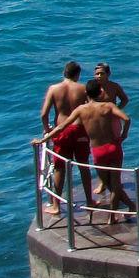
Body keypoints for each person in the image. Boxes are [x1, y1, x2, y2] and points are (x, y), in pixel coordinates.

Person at [67, 93, 133, 215]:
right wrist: (124, 134)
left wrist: (45, 139)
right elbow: (127, 119)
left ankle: (127, 208)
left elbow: (63, 126)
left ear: (86, 94)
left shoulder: (81, 109)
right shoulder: (108, 106)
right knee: (115, 183)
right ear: (100, 93)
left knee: (108, 184)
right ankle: (126, 208)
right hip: (113, 146)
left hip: (98, 151)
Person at [39, 61, 94, 203]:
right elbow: (90, 110)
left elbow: (44, 114)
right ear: (77, 74)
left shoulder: (53, 89)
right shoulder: (83, 89)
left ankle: (56, 205)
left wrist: (48, 131)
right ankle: (89, 200)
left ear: (64, 73)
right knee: (83, 166)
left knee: (59, 168)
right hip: (79, 130)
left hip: (61, 130)